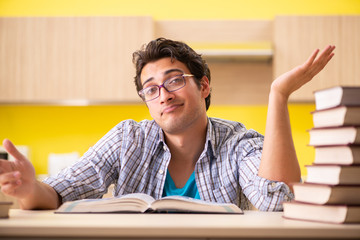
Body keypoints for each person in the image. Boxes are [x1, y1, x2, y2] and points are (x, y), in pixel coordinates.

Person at [0, 38, 335, 211]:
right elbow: (59, 193)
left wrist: (278, 95)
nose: (163, 95)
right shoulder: (127, 139)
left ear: (203, 86)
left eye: (175, 80)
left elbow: (278, 203)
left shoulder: (238, 142)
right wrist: (30, 189)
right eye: (151, 89)